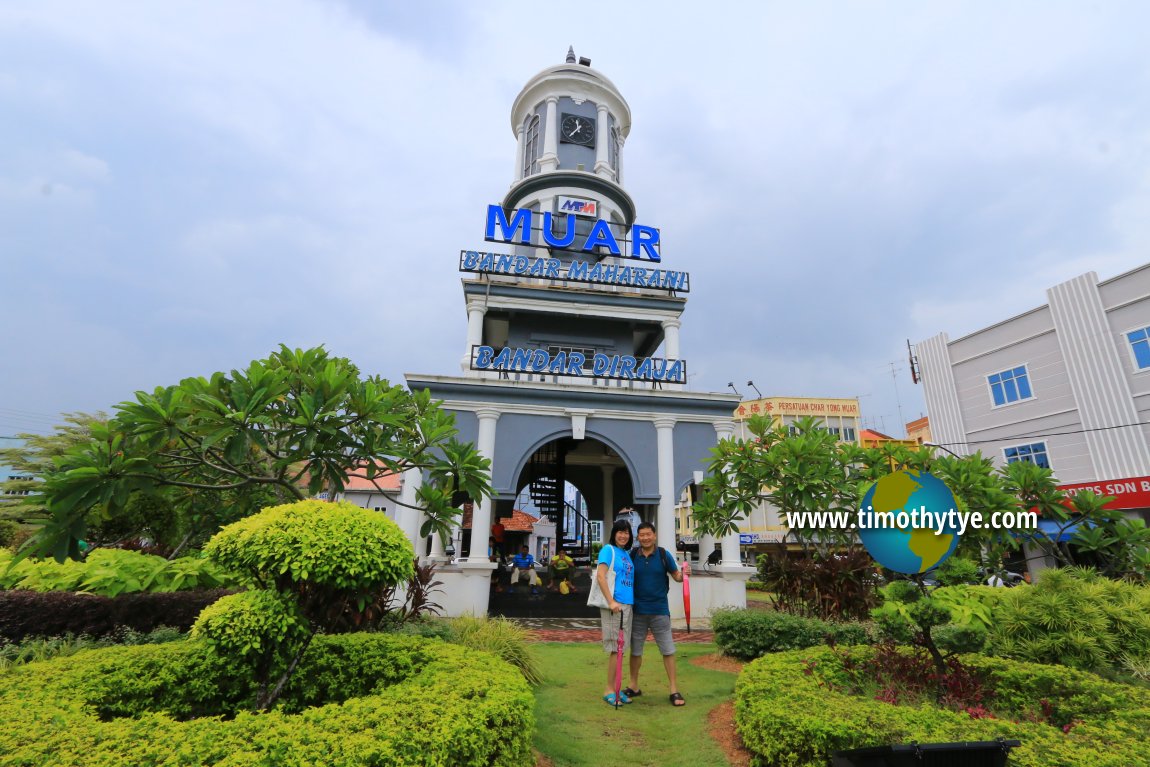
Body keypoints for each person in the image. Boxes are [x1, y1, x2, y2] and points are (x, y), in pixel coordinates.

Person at [625, 521, 688, 706]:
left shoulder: (663, 554)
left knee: (668, 650)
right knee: (635, 651)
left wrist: (683, 574)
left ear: (654, 536)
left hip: (660, 610)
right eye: (641, 535)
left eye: (648, 534)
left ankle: (674, 690)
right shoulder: (633, 555)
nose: (645, 538)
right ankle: (634, 686)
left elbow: (676, 576)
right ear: (638, 537)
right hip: (637, 611)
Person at [597, 518, 635, 706]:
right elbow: (600, 576)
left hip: (627, 605)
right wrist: (611, 601)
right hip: (615, 606)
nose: (623, 535)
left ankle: (617, 688)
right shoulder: (608, 550)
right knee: (615, 649)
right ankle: (609, 690)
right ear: (614, 533)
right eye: (620, 531)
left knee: (621, 649)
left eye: (626, 532)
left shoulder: (626, 554)